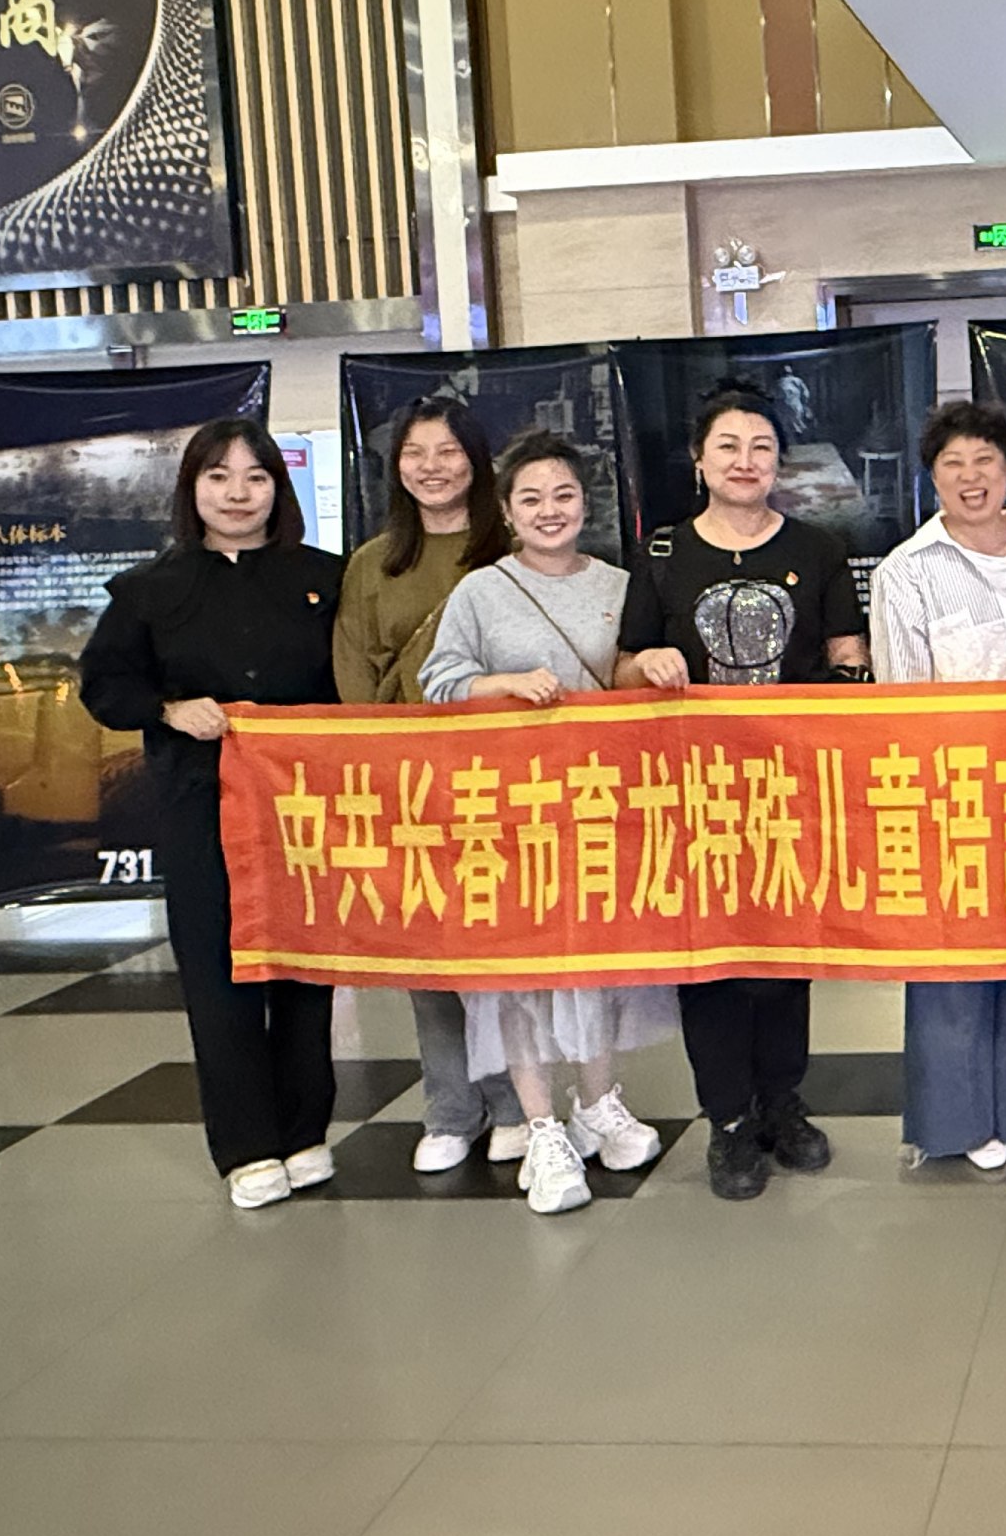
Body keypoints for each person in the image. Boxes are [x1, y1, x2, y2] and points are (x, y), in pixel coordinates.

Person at [79, 418, 345, 1210]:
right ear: (191, 488)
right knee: (218, 968)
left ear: (278, 489)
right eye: (219, 477)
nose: (238, 494)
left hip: (306, 806)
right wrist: (167, 709)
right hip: (202, 804)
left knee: (305, 967)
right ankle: (246, 1146)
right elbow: (105, 686)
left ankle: (304, 1131)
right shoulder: (148, 590)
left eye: (256, 477)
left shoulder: (324, 579)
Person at [617, 384, 868, 1202]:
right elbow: (622, 667)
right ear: (700, 460)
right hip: (693, 795)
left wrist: (839, 692)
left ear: (779, 462)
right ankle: (727, 1119)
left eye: (761, 447)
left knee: (787, 951)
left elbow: (849, 656)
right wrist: (645, 666)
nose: (745, 461)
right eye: (728, 446)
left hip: (789, 788)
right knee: (711, 956)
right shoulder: (662, 554)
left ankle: (783, 1104)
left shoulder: (819, 549)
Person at [419, 430, 673, 1215]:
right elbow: (438, 682)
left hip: (600, 807)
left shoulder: (621, 584)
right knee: (522, 970)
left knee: (595, 962)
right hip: (510, 811)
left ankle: (597, 1103)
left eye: (563, 495)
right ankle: (541, 1129)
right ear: (506, 511)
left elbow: (631, 674)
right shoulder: (480, 591)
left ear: (585, 504)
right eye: (530, 498)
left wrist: (649, 667)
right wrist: (501, 684)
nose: (549, 510)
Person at [868, 400, 1006, 1172]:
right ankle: (956, 1122)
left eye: (985, 459)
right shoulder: (905, 571)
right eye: (952, 464)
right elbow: (900, 698)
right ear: (933, 478)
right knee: (954, 964)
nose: (970, 476)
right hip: (951, 795)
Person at [332, 399, 526, 1177]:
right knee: (428, 952)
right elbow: (354, 673)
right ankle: (449, 1107)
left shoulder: (512, 548)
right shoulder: (371, 563)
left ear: (477, 462)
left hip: (501, 778)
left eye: (448, 451)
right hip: (408, 780)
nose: (432, 467)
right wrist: (378, 769)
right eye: (416, 453)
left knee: (501, 949)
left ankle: (515, 1102)